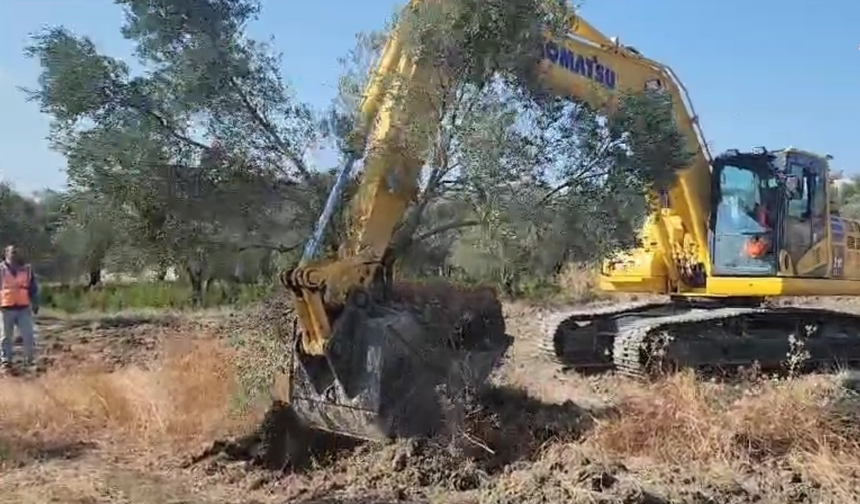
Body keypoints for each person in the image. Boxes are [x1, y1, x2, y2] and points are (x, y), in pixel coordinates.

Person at [0, 244, 39, 372]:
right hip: (6, 308)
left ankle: (29, 361)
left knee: (28, 335)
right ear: (6, 254)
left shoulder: (27, 270)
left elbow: (33, 288)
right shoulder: (1, 270)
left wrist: (35, 303)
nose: (14, 255)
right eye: (12, 252)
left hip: (23, 308)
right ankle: (6, 361)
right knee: (6, 337)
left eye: (16, 252)